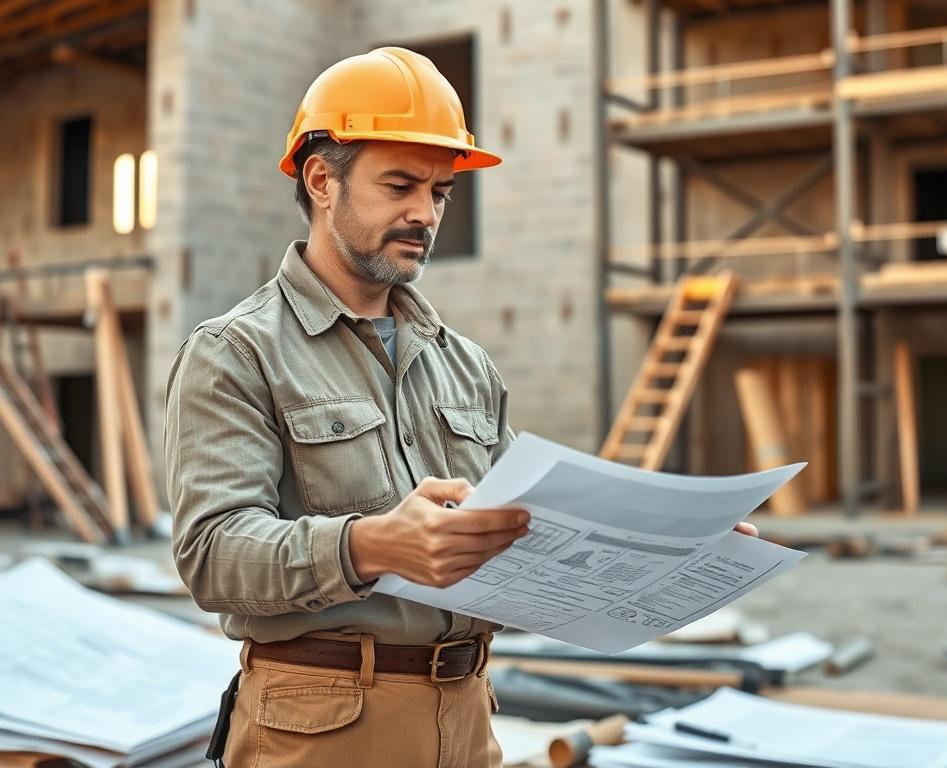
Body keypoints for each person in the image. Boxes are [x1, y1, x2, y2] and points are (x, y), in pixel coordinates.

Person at [164, 47, 758, 767]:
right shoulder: (236, 352)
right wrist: (371, 545)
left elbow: (525, 535)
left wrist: (672, 548)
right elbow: (211, 556)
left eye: (440, 192)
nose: (426, 213)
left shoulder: (464, 364)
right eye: (401, 185)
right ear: (322, 180)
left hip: (469, 721)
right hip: (319, 730)